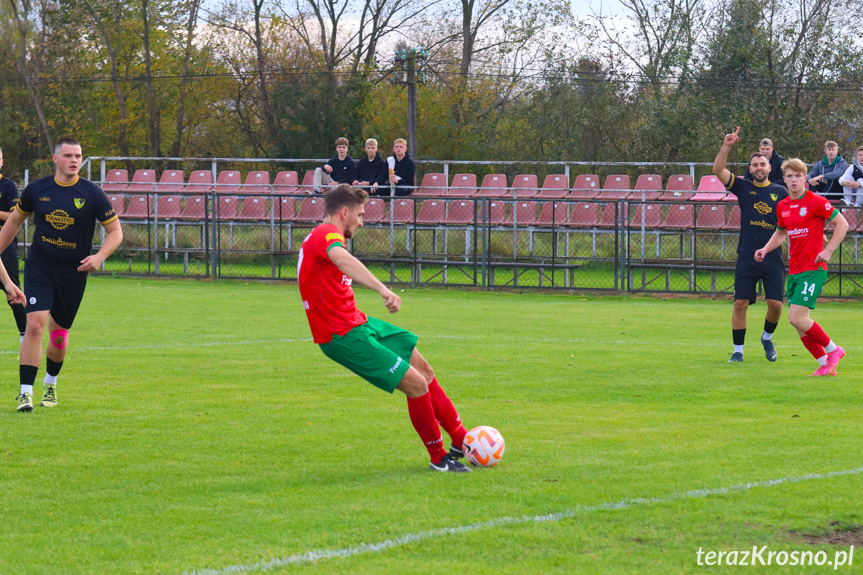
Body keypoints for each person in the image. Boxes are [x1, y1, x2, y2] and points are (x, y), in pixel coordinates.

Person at [297, 184, 471, 472]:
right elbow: (342, 259)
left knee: (424, 370)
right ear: (344, 213)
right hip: (342, 336)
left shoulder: (325, 235)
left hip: (359, 323)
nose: (362, 221)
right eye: (360, 215)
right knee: (415, 384)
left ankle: (462, 440)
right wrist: (382, 289)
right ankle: (439, 458)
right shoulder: (325, 234)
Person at [0, 138, 123, 412]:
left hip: (73, 272)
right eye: (68, 155)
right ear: (55, 159)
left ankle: (51, 383)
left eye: (78, 155)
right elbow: (13, 223)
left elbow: (116, 232)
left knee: (58, 336)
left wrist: (99, 257)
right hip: (40, 267)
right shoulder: (37, 189)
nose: (74, 160)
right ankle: (25, 393)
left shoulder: (92, 194)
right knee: (34, 325)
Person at [755, 158, 848, 376]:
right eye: (790, 176)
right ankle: (826, 363)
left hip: (813, 269)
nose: (794, 179)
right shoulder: (783, 206)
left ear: (805, 178)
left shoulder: (816, 201)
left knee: (796, 318)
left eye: (798, 175)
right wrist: (765, 249)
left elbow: (842, 223)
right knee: (799, 324)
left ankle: (834, 350)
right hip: (795, 270)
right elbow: (780, 233)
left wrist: (828, 251)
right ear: (784, 180)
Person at [713, 127, 788, 362]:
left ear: (769, 168)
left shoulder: (781, 191)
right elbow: (718, 170)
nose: (758, 168)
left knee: (776, 304)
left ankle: (767, 338)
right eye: (754, 165)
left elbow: (793, 219)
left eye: (762, 165)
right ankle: (738, 352)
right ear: (750, 169)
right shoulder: (743, 186)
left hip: (772, 254)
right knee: (740, 303)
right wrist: (727, 145)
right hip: (746, 253)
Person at [0, 147, 27, 341]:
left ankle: (25, 335)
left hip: (5, 243)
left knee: (12, 290)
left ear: (2, 161)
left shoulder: (9, 186)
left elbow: (14, 216)